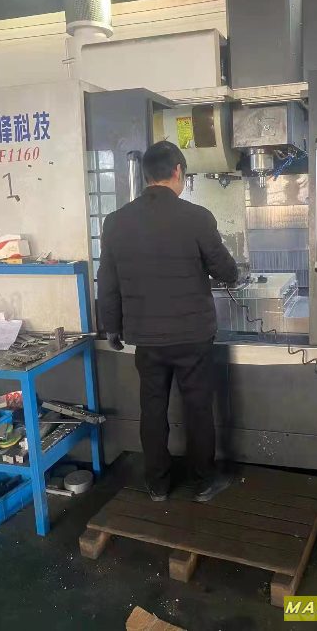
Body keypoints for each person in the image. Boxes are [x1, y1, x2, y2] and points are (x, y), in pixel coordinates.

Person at [97, 140, 238, 502]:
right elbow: (226, 270)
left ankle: (157, 484)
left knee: (152, 408)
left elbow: (107, 281)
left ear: (146, 175)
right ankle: (203, 482)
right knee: (198, 409)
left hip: (146, 339)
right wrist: (228, 273)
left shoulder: (116, 222)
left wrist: (112, 327)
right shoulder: (197, 217)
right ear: (178, 171)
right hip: (193, 337)